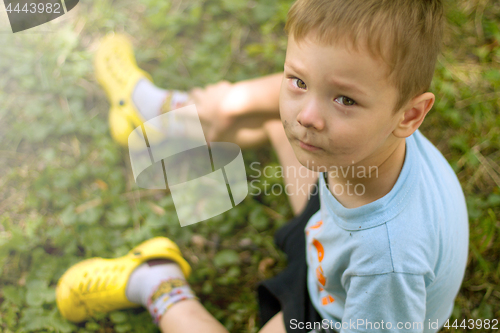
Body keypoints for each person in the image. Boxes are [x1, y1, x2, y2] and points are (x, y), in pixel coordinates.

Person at [56, 0, 469, 332]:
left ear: (410, 115)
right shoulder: (368, 137)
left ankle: (157, 281)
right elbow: (303, 91)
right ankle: (165, 115)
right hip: (331, 234)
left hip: (337, 310)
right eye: (299, 80)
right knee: (278, 112)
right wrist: (235, 101)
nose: (308, 115)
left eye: (345, 99)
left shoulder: (387, 265)